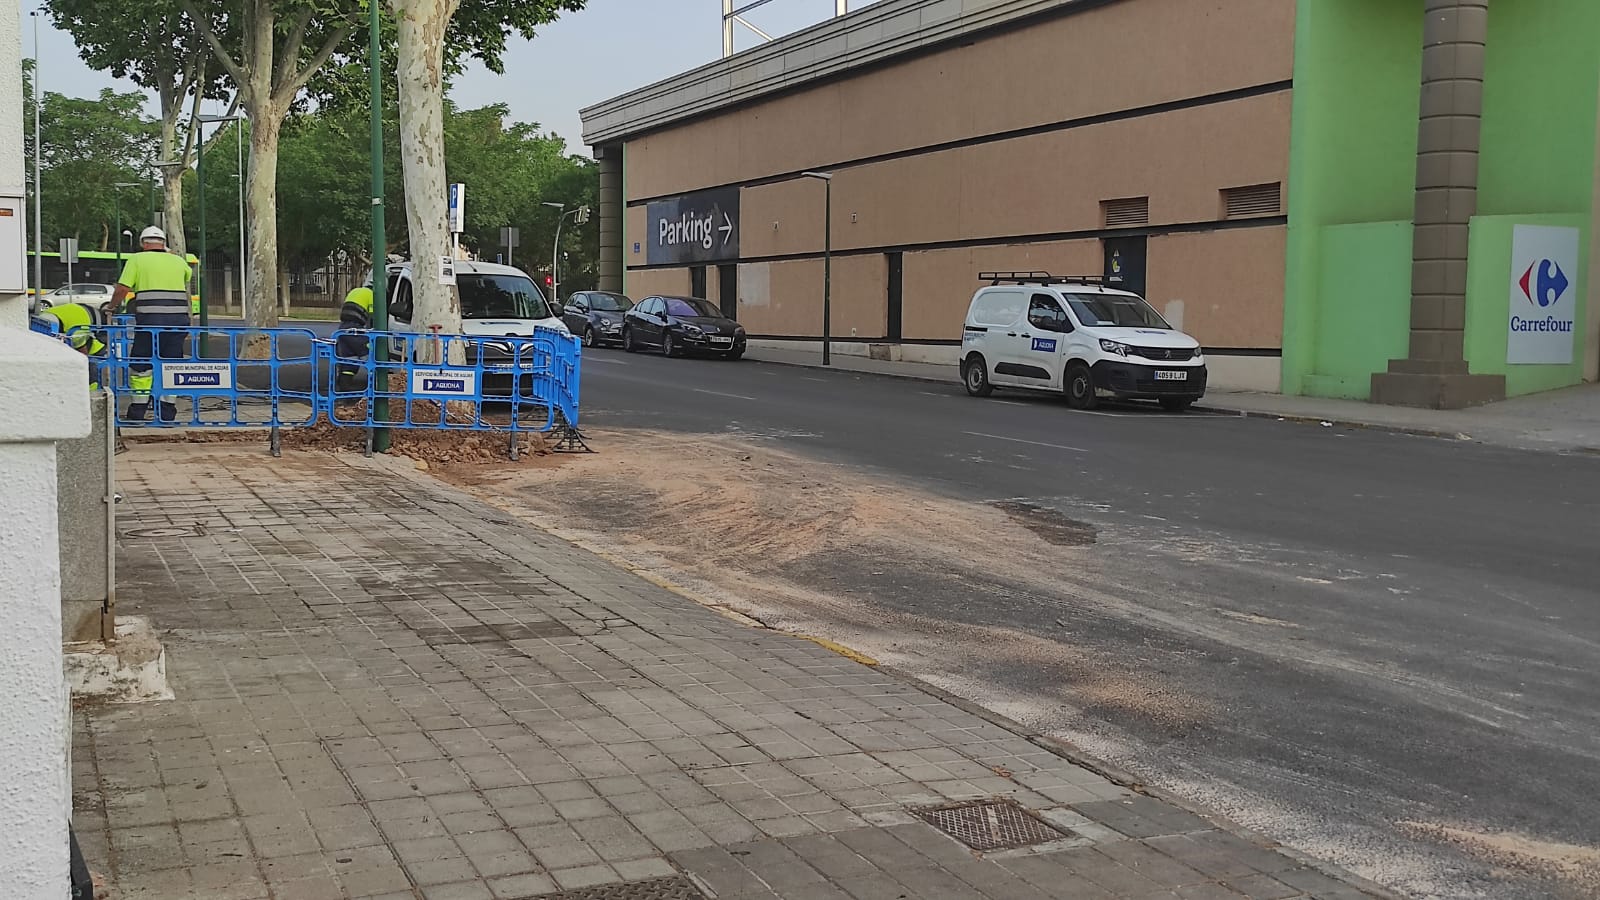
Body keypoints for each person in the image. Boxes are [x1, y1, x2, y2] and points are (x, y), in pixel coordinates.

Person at [112, 226, 193, 422]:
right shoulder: (178, 261)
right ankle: (167, 413)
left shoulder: (137, 259)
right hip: (178, 322)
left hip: (150, 322)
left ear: (143, 243)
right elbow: (187, 276)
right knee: (171, 364)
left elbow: (123, 288)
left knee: (140, 365)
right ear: (164, 244)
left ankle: (138, 411)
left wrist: (112, 307)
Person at [35, 301, 108, 390]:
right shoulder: (81, 327)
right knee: (91, 362)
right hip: (59, 328)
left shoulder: (80, 312)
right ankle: (90, 388)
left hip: (44, 322)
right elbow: (82, 356)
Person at [335, 281, 374, 389]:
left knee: (349, 358)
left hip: (343, 329)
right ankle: (376, 385)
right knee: (371, 353)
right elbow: (373, 316)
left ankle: (344, 388)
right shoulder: (372, 294)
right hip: (356, 328)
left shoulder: (355, 291)